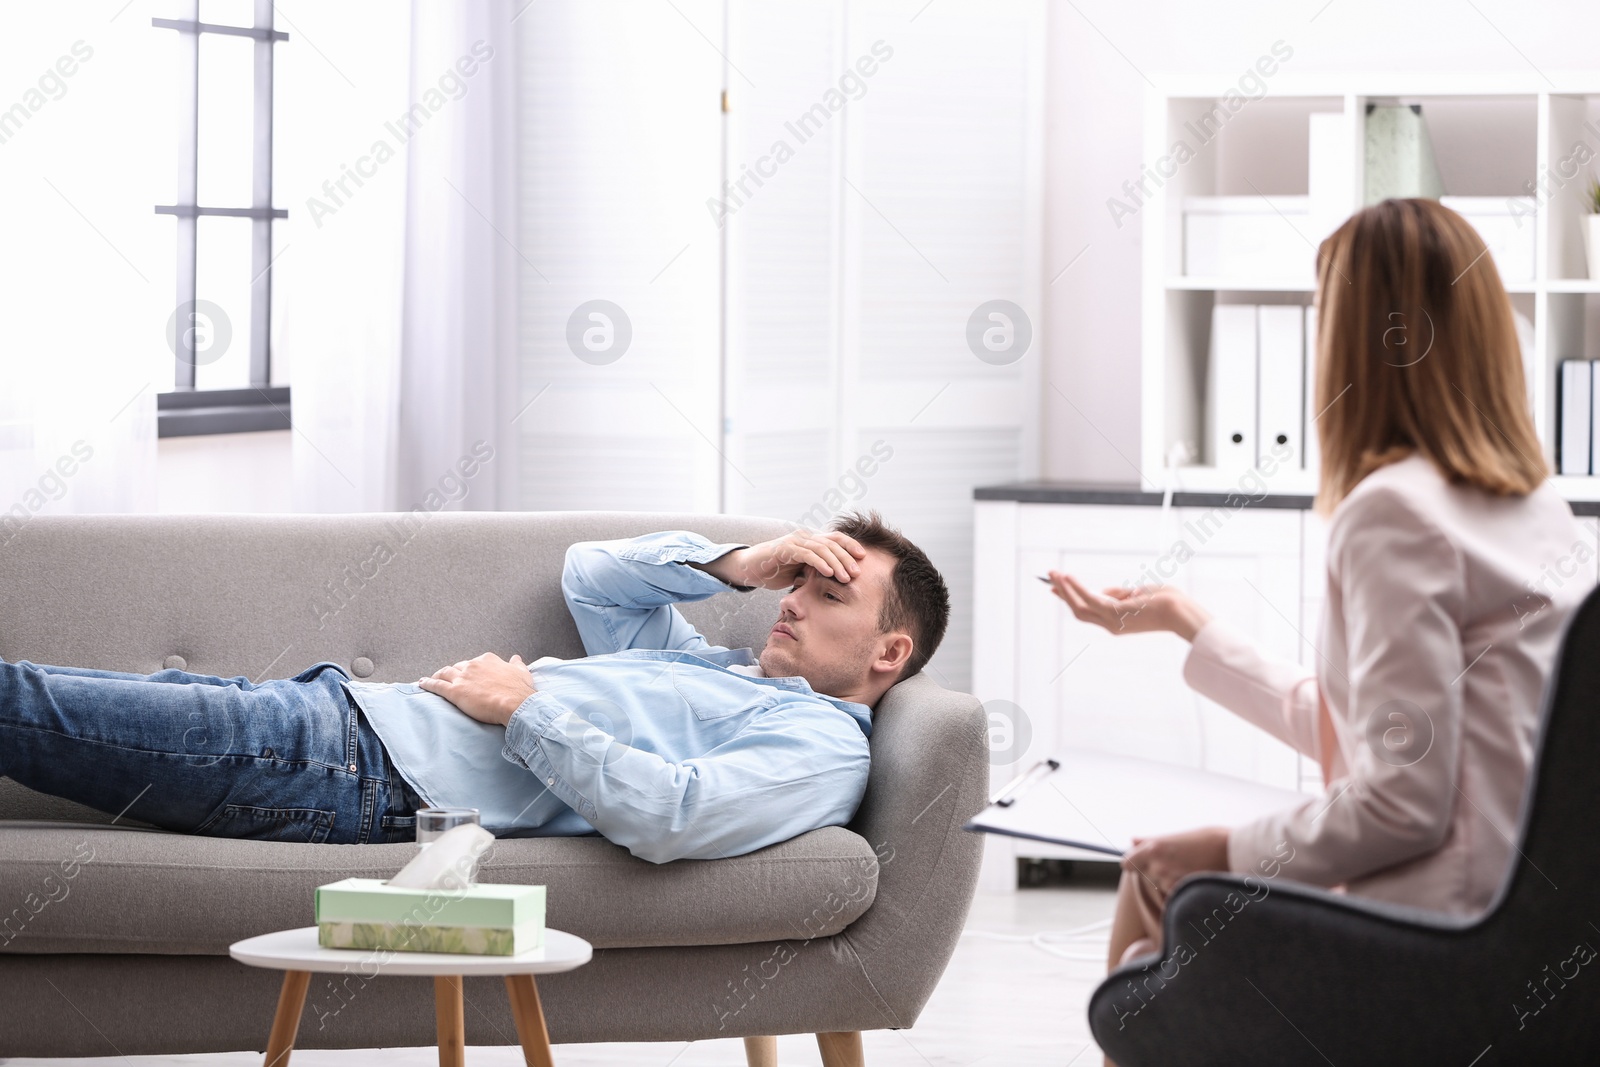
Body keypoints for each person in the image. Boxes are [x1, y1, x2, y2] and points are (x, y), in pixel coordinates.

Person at [1045, 198, 1590, 990]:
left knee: (1154, 888)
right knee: (1160, 886)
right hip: (1540, 921)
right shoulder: (1534, 504)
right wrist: (1186, 621)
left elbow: (1404, 802)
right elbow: (1389, 731)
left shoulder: (1393, 511)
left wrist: (1226, 848)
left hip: (1444, 941)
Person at [0, 510, 950, 863]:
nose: (792, 604)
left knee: (30, 710)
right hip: (337, 719)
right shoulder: (711, 665)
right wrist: (745, 559)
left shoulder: (824, 747)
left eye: (827, 595)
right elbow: (592, 574)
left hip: (356, 773)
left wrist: (523, 707)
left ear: (888, 655)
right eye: (798, 584)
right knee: (32, 700)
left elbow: (678, 815)